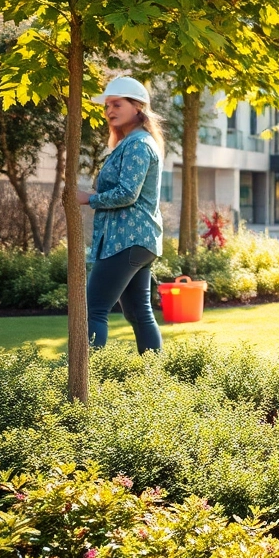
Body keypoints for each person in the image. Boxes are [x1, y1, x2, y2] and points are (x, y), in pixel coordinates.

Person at [79, 76, 165, 353]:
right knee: (139, 313)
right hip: (137, 241)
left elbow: (128, 193)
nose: (110, 111)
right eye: (107, 106)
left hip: (126, 240)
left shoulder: (138, 144)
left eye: (117, 104)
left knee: (94, 310)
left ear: (137, 107)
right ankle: (154, 377)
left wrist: (90, 199)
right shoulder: (131, 143)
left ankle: (81, 377)